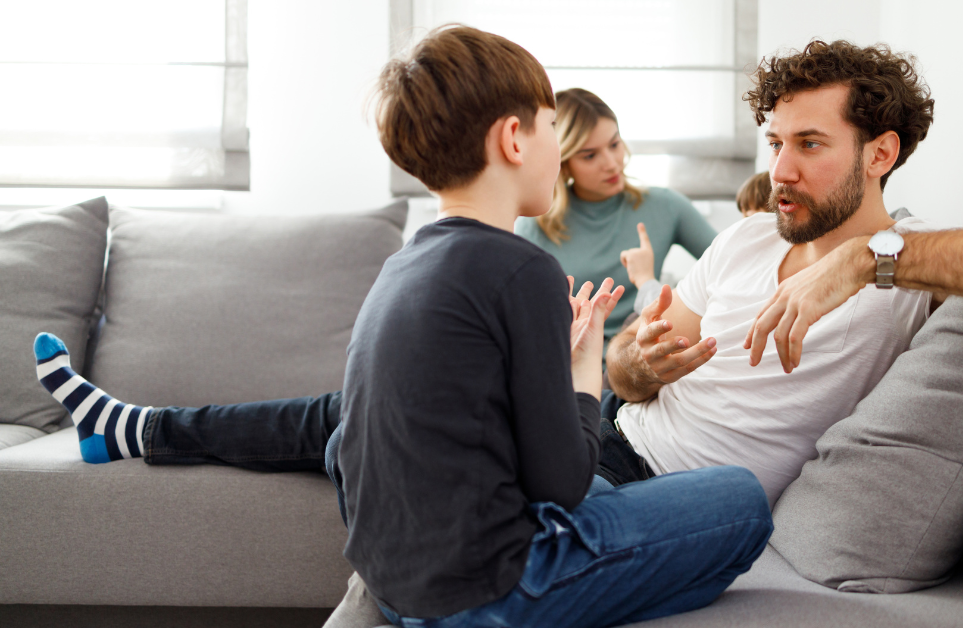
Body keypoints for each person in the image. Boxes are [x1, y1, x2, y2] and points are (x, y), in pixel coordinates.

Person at [32, 26, 772, 628]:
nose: (559, 146)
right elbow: (562, 484)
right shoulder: (524, 271)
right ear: (514, 138)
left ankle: (144, 430)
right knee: (738, 500)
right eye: (553, 127)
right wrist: (582, 373)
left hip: (394, 583)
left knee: (350, 420)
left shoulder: (405, 264)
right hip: (489, 591)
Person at [601, 39, 963, 504]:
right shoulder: (747, 236)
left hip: (664, 490)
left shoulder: (905, 269)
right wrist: (640, 366)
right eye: (775, 143)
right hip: (610, 433)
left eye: (809, 144)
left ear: (880, 154)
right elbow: (622, 367)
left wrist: (862, 261)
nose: (780, 171)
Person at [515, 88, 717, 335]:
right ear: (563, 162)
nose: (611, 163)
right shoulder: (534, 225)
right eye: (589, 156)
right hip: (568, 361)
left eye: (614, 144)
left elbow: (734, 266)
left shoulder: (666, 206)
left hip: (641, 360)